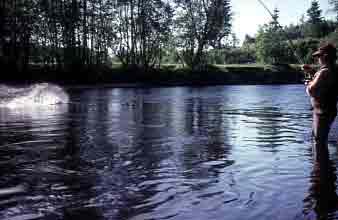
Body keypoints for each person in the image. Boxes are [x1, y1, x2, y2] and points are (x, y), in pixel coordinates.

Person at [302, 43, 338, 158]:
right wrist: (312, 73)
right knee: (318, 140)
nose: (318, 59)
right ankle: (323, 168)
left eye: (319, 56)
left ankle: (321, 171)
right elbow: (324, 83)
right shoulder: (332, 69)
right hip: (327, 110)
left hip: (322, 112)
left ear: (325, 56)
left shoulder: (324, 72)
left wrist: (308, 83)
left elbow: (312, 91)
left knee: (319, 142)